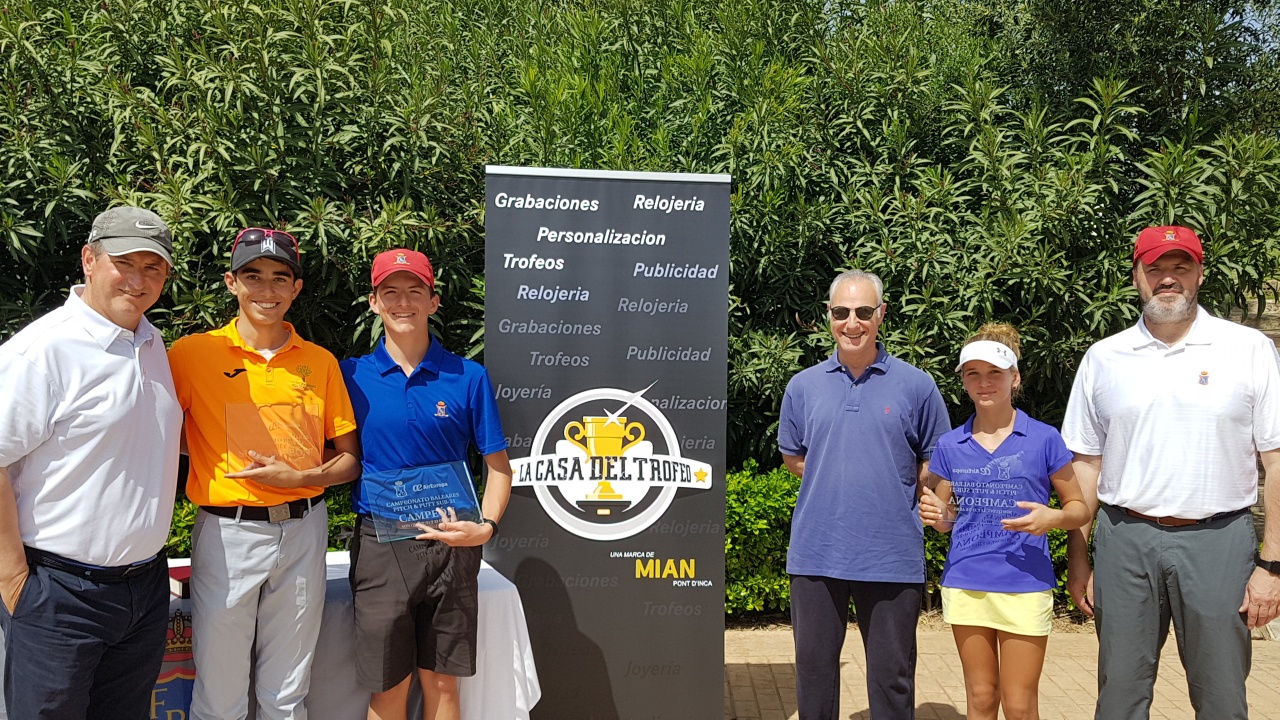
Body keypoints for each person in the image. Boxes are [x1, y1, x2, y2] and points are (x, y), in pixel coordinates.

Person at [1062, 225, 1280, 719]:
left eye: (1180, 267)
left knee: (1222, 697)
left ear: (1199, 274)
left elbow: (1276, 459)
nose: (1167, 278)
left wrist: (1271, 565)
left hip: (1218, 541)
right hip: (1124, 540)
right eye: (1154, 268)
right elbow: (1086, 466)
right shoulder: (1104, 357)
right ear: (1136, 276)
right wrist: (1079, 556)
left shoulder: (1247, 349)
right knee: (1119, 697)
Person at [168, 227, 361, 720]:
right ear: (231, 282)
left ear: (296, 288)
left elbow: (349, 460)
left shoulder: (319, 362)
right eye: (253, 276)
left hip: (304, 529)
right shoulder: (190, 354)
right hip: (227, 534)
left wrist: (298, 479)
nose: (266, 290)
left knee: (286, 694)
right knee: (220, 697)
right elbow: (157, 435)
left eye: (280, 277)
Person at [0, 207, 181, 719]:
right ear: (89, 260)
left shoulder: (151, 343)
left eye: (153, 267)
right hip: (57, 594)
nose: (138, 280)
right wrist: (14, 582)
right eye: (125, 263)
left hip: (143, 591)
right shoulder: (42, 351)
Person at [340, 248, 512, 720]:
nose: (403, 302)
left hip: (452, 544)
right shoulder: (350, 375)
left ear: (433, 301)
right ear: (373, 302)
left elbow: (499, 468)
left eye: (415, 291)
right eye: (390, 292)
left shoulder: (468, 376)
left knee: (442, 685)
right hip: (381, 544)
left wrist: (485, 528)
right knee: (388, 689)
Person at [777, 269, 952, 720]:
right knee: (814, 676)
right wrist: (838, 475)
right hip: (816, 555)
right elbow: (794, 457)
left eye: (863, 312)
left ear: (881, 314)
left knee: (892, 679)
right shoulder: (803, 386)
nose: (851, 323)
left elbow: (936, 459)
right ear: (828, 316)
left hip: (891, 555)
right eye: (841, 312)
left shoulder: (917, 385)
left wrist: (904, 488)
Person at [918, 323, 1089, 720]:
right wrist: (940, 517)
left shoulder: (1044, 438)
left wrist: (1053, 518)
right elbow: (947, 515)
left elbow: (1079, 508)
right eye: (973, 373)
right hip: (966, 582)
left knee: (1019, 704)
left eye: (994, 373)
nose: (984, 382)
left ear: (1015, 378)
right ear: (963, 381)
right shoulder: (950, 444)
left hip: (1025, 584)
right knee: (980, 698)